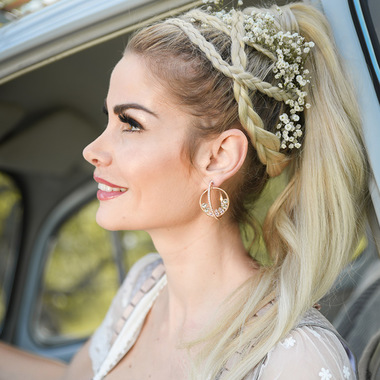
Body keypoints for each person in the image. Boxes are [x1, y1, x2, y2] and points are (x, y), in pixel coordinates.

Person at [0, 1, 369, 379]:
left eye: (130, 123)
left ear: (219, 157)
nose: (92, 150)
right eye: (107, 118)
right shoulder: (143, 288)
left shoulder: (296, 358)